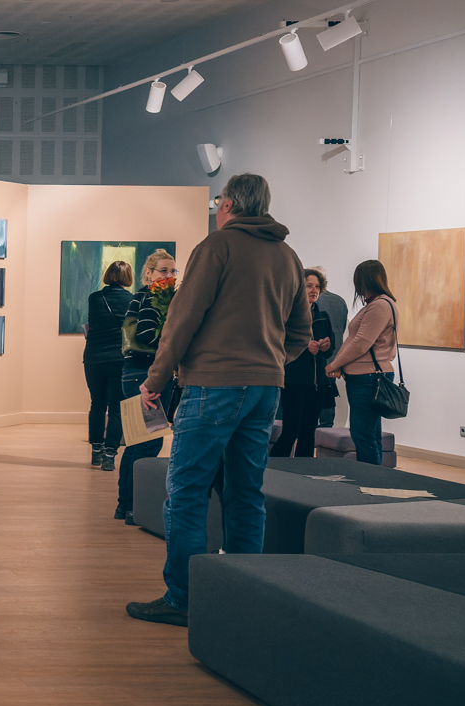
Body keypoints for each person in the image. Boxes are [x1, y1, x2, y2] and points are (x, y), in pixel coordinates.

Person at [127, 173, 312, 626]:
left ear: (228, 204)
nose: (216, 209)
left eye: (218, 202)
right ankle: (241, 594)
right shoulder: (288, 256)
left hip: (213, 385)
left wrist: (156, 377)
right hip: (265, 390)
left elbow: (183, 318)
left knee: (187, 492)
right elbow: (300, 333)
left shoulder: (217, 247)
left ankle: (184, 598)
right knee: (246, 493)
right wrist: (270, 361)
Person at [113, 249, 177, 523]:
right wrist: (176, 343)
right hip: (147, 375)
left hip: (134, 373)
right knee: (148, 444)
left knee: (137, 443)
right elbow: (148, 333)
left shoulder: (140, 296)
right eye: (163, 270)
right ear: (149, 273)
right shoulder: (153, 296)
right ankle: (133, 508)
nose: (169, 276)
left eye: (173, 271)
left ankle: (125, 506)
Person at [326, 260, 399, 466]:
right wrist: (340, 364)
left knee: (363, 433)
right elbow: (356, 341)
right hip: (368, 375)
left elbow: (361, 343)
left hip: (368, 376)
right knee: (369, 432)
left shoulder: (380, 306)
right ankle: (374, 476)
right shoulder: (378, 304)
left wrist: (334, 364)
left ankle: (369, 478)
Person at [270, 269, 336, 458]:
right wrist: (305, 345)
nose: (314, 290)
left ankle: (303, 473)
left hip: (318, 383)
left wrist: (327, 346)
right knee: (290, 432)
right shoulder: (288, 314)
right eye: (309, 286)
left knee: (308, 434)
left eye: (317, 286)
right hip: (294, 381)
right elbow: (278, 344)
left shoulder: (323, 316)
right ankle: (274, 469)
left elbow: (330, 350)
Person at [83, 261, 134, 471]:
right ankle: (110, 456)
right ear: (127, 277)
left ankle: (96, 451)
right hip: (119, 360)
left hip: (93, 358)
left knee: (97, 404)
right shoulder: (132, 300)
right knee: (116, 408)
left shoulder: (94, 298)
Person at [308, 265, 348, 427]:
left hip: (315, 362)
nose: (313, 290)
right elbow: (341, 330)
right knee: (327, 402)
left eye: (316, 285)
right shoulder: (340, 302)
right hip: (333, 358)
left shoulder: (314, 305)